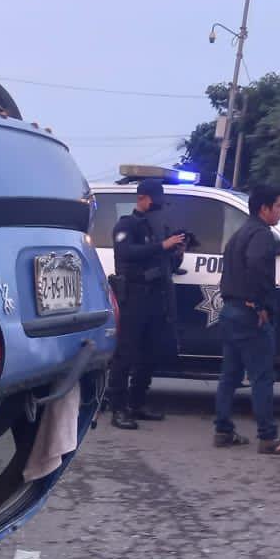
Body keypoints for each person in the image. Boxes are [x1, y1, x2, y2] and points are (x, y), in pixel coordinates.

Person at [212, 184, 280, 453]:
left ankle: (223, 431)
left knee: (230, 376)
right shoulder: (261, 235)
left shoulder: (240, 234)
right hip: (249, 315)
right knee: (261, 377)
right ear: (264, 208)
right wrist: (259, 303)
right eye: (279, 205)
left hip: (232, 312)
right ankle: (268, 437)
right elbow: (257, 264)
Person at [107, 177, 185, 429]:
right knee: (126, 354)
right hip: (133, 296)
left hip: (155, 297)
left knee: (149, 353)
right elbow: (126, 252)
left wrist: (175, 253)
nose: (157, 205)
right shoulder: (126, 225)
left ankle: (137, 403)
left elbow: (166, 264)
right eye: (154, 199)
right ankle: (117, 408)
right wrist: (162, 245)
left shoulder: (156, 226)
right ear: (142, 198)